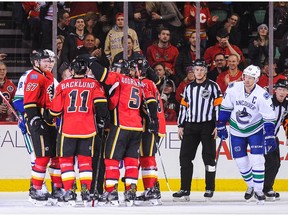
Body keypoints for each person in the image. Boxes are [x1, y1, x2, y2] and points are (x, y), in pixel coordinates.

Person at [80, 55, 158, 207]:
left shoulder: (118, 78)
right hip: (137, 127)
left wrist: (91, 61)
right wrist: (153, 120)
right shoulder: (139, 83)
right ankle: (131, 191)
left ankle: (111, 191)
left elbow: (101, 74)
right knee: (131, 161)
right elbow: (151, 102)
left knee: (111, 159)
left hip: (121, 125)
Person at [49, 57, 110, 206]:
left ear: (72, 70)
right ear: (86, 70)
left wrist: (49, 114)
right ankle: (86, 192)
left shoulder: (63, 85)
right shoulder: (94, 84)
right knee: (85, 162)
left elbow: (55, 110)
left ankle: (69, 192)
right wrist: (103, 119)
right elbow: (101, 107)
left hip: (67, 130)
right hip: (88, 130)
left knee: (66, 161)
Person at [216, 65, 276, 204]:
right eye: (246, 77)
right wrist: (220, 125)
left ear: (256, 79)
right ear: (242, 76)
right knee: (241, 162)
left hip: (255, 129)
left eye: (251, 78)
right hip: (236, 129)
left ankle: (259, 190)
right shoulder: (233, 89)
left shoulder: (263, 95)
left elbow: (269, 118)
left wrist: (269, 135)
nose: (247, 80)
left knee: (257, 159)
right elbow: (225, 108)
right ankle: (251, 186)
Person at [173, 59, 223, 201]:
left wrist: (218, 126)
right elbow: (183, 107)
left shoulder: (214, 86)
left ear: (205, 71)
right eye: (196, 70)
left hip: (207, 126)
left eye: (201, 69)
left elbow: (218, 107)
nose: (199, 72)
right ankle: (185, 189)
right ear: (193, 71)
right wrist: (181, 125)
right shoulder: (188, 88)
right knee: (185, 158)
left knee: (208, 158)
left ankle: (209, 188)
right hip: (190, 126)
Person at [23, 49, 63, 205]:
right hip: (40, 121)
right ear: (36, 62)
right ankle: (36, 189)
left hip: (49, 121)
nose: (50, 63)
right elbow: (29, 102)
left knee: (55, 157)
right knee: (43, 157)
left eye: (51, 61)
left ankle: (57, 188)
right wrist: (34, 119)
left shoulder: (48, 76)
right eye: (46, 61)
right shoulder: (34, 76)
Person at [263, 79, 288, 200]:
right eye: (280, 89)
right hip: (262, 136)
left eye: (284, 90)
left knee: (276, 163)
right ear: (275, 90)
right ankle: (264, 189)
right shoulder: (268, 102)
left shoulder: (286, 104)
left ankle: (266, 187)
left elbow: (286, 121)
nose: (282, 92)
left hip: (273, 137)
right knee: (271, 162)